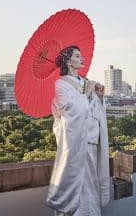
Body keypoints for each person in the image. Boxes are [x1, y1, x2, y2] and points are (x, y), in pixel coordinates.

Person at [45, 46, 111, 216]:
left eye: (81, 55)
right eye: (77, 56)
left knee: (90, 181)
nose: (82, 58)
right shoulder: (61, 84)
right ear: (68, 61)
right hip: (75, 144)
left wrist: (99, 96)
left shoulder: (85, 81)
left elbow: (94, 111)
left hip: (90, 141)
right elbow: (73, 111)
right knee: (76, 183)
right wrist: (87, 93)